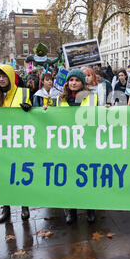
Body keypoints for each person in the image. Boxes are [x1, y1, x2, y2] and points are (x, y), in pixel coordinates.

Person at [0, 64, 32, 223]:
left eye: (4, 76)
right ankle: (5, 207)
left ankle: (24, 205)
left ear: (11, 77)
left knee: (20, 174)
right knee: (3, 175)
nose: (1, 79)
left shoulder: (24, 92)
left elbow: (34, 116)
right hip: (0, 142)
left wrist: (29, 108)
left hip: (19, 141)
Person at [53, 69, 98, 224]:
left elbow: (97, 119)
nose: (73, 83)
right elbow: (54, 120)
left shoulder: (92, 98)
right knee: (70, 178)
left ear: (82, 83)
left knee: (87, 177)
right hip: (67, 145)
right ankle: (71, 210)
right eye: (71, 80)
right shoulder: (59, 99)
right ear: (67, 82)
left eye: (77, 80)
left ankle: (90, 208)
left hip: (86, 143)